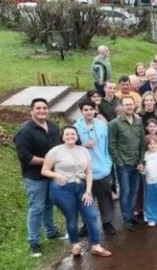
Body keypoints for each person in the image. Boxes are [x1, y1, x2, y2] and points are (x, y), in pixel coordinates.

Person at [41, 126, 112, 258]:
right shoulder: (55, 151)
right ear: (62, 136)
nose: (70, 136)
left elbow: (89, 172)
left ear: (77, 136)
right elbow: (45, 170)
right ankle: (75, 244)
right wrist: (57, 176)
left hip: (81, 187)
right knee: (71, 217)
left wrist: (89, 191)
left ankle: (96, 245)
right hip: (62, 190)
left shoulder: (84, 151)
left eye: (73, 134)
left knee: (91, 215)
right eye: (67, 134)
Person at [13, 98, 67, 257]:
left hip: (51, 174)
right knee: (36, 208)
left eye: (44, 108)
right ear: (32, 111)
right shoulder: (24, 131)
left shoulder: (53, 127)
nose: (42, 111)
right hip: (35, 177)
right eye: (38, 108)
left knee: (49, 204)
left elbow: (58, 148)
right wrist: (48, 162)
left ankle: (51, 232)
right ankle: (34, 242)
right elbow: (25, 157)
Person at [74, 100, 117, 237]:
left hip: (103, 168)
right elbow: (70, 148)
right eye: (85, 110)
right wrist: (83, 146)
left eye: (91, 109)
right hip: (85, 171)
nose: (88, 112)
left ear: (95, 110)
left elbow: (107, 145)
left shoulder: (102, 125)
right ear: (81, 111)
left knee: (105, 197)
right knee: (86, 199)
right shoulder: (75, 128)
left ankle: (107, 222)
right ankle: (87, 224)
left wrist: (108, 163)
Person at [108, 96, 146, 231]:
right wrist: (119, 161)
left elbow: (142, 142)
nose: (129, 107)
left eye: (131, 104)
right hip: (123, 164)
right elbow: (112, 145)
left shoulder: (139, 121)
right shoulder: (114, 123)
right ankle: (126, 218)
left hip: (137, 163)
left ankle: (131, 215)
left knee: (134, 190)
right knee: (125, 191)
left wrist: (142, 161)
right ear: (121, 107)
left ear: (134, 105)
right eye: (126, 104)